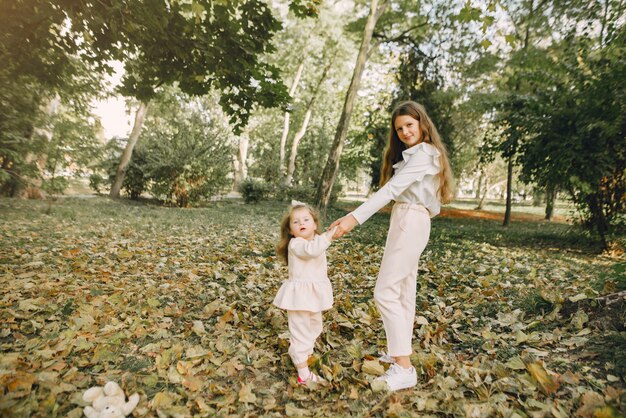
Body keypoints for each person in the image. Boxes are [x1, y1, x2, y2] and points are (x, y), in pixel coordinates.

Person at [329, 101, 454, 391]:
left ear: (422, 123)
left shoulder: (425, 154)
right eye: (399, 128)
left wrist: (353, 218)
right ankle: (400, 355)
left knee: (385, 291)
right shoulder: (412, 156)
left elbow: (392, 190)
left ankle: (404, 367)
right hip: (405, 218)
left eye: (410, 125)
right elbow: (395, 191)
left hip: (412, 219)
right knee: (402, 292)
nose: (405, 131)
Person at [273, 201, 337, 385]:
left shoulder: (316, 240)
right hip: (299, 298)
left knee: (315, 326)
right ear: (291, 230)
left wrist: (332, 231)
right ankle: (303, 374)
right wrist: (329, 235)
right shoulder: (297, 244)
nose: (301, 223)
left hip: (313, 297)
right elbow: (313, 251)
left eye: (306, 219)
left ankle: (302, 352)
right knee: (301, 332)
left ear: (314, 225)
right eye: (295, 222)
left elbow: (318, 244)